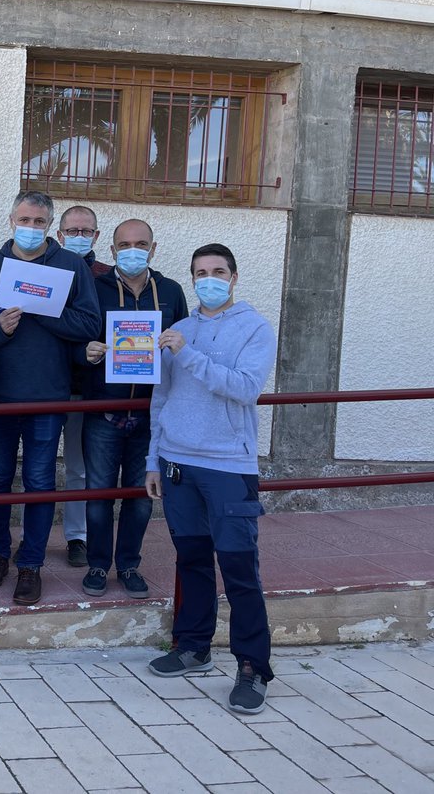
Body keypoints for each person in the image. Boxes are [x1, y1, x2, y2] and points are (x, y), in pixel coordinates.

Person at [146, 243, 276, 715]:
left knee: (240, 569)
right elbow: (160, 399)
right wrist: (152, 460)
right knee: (193, 559)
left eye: (218, 271)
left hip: (228, 466)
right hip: (178, 463)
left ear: (234, 277)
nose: (209, 279)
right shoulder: (178, 328)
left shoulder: (254, 328)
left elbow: (245, 389)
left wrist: (191, 355)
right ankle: (193, 646)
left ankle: (253, 667)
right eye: (200, 272)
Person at [0, 192, 101, 605]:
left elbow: (89, 324)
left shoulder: (72, 265)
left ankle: (31, 564)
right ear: (10, 220)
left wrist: (41, 307)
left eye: (39, 221)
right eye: (24, 219)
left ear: (50, 224)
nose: (31, 227)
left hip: (48, 396)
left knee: (40, 482)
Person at [79, 219, 188, 598]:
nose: (132, 250)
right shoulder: (94, 287)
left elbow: (185, 348)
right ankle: (96, 564)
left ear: (153, 249)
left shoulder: (171, 291)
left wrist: (176, 346)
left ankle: (128, 565)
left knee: (141, 496)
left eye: (141, 243)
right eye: (124, 244)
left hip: (152, 415)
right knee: (98, 495)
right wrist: (87, 353)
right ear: (111, 250)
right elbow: (78, 341)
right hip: (103, 412)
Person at [56, 206, 112, 568]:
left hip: (87, 387)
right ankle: (29, 539)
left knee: (79, 469)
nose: (79, 236)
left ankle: (78, 537)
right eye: (72, 230)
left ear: (96, 235)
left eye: (86, 230)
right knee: (37, 471)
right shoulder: (43, 269)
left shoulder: (109, 277)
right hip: (42, 384)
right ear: (59, 235)